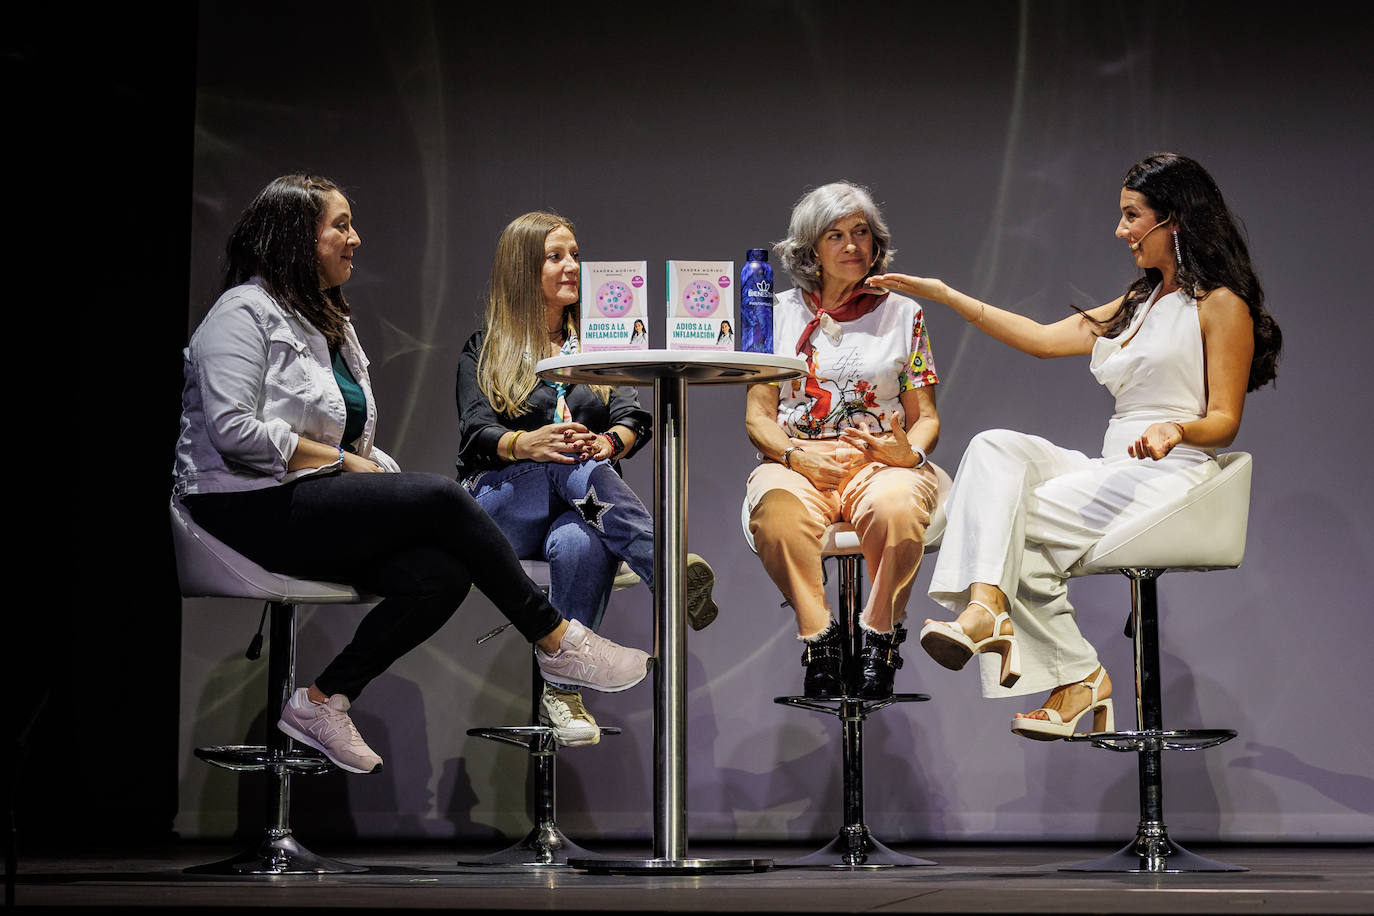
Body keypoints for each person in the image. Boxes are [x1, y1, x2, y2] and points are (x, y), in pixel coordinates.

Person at [174, 176, 650, 775]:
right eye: (340, 225)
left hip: (308, 497)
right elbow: (233, 432)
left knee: (442, 574)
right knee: (442, 497)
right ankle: (558, 642)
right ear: (299, 238)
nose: (356, 238)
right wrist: (349, 464)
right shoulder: (242, 313)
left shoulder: (327, 324)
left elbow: (349, 438)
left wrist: (370, 467)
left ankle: (323, 700)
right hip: (242, 504)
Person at [868, 152, 1282, 739]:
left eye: (1132, 216)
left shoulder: (1220, 305)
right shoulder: (1138, 302)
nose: (1121, 231)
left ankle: (1048, 654)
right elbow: (1040, 340)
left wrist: (1178, 429)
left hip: (1173, 473)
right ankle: (1035, 644)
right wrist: (945, 295)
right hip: (1117, 468)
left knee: (1007, 521)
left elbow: (1224, 419)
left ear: (1176, 220)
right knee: (993, 447)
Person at [457, 211, 717, 746]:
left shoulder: (599, 344)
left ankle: (563, 687)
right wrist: (526, 443)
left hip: (581, 507)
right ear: (522, 270)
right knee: (568, 458)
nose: (572, 266)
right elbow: (473, 434)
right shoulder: (484, 347)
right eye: (556, 256)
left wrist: (608, 443)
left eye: (575, 254)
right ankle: (664, 566)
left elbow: (632, 416)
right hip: (502, 507)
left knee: (582, 540)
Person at [744, 181, 942, 699]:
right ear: (811, 249)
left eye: (861, 233)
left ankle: (880, 635)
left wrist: (910, 452)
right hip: (794, 458)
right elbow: (759, 419)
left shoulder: (905, 314)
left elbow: (926, 419)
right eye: (836, 235)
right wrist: (794, 455)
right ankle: (820, 638)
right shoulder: (772, 313)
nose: (853, 245)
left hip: (879, 459)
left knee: (898, 506)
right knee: (777, 518)